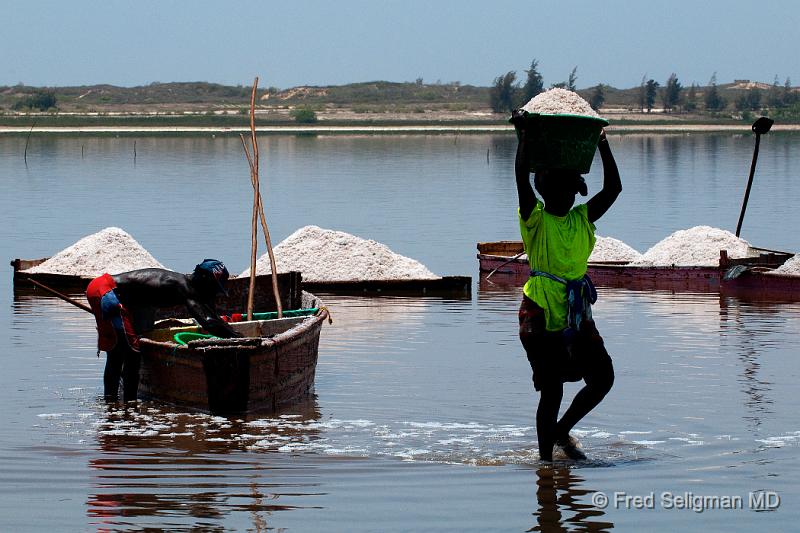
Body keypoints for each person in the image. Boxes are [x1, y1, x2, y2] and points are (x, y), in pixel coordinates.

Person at [513, 111, 622, 461]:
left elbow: (614, 188)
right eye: (555, 187)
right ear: (545, 190)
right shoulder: (536, 220)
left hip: (575, 315)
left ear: (574, 194)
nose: (563, 195)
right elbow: (519, 177)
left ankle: (561, 431)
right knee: (552, 391)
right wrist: (523, 134)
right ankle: (546, 462)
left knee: (603, 377)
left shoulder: (582, 219)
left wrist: (601, 142)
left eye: (568, 189)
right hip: (540, 314)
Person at [86, 258, 242, 402]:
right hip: (107, 292)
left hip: (100, 287)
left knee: (117, 353)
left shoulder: (189, 286)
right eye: (214, 288)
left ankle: (111, 405)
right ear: (203, 279)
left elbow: (212, 316)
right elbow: (208, 323)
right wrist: (237, 338)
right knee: (132, 354)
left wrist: (232, 332)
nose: (214, 293)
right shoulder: (183, 287)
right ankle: (128, 406)